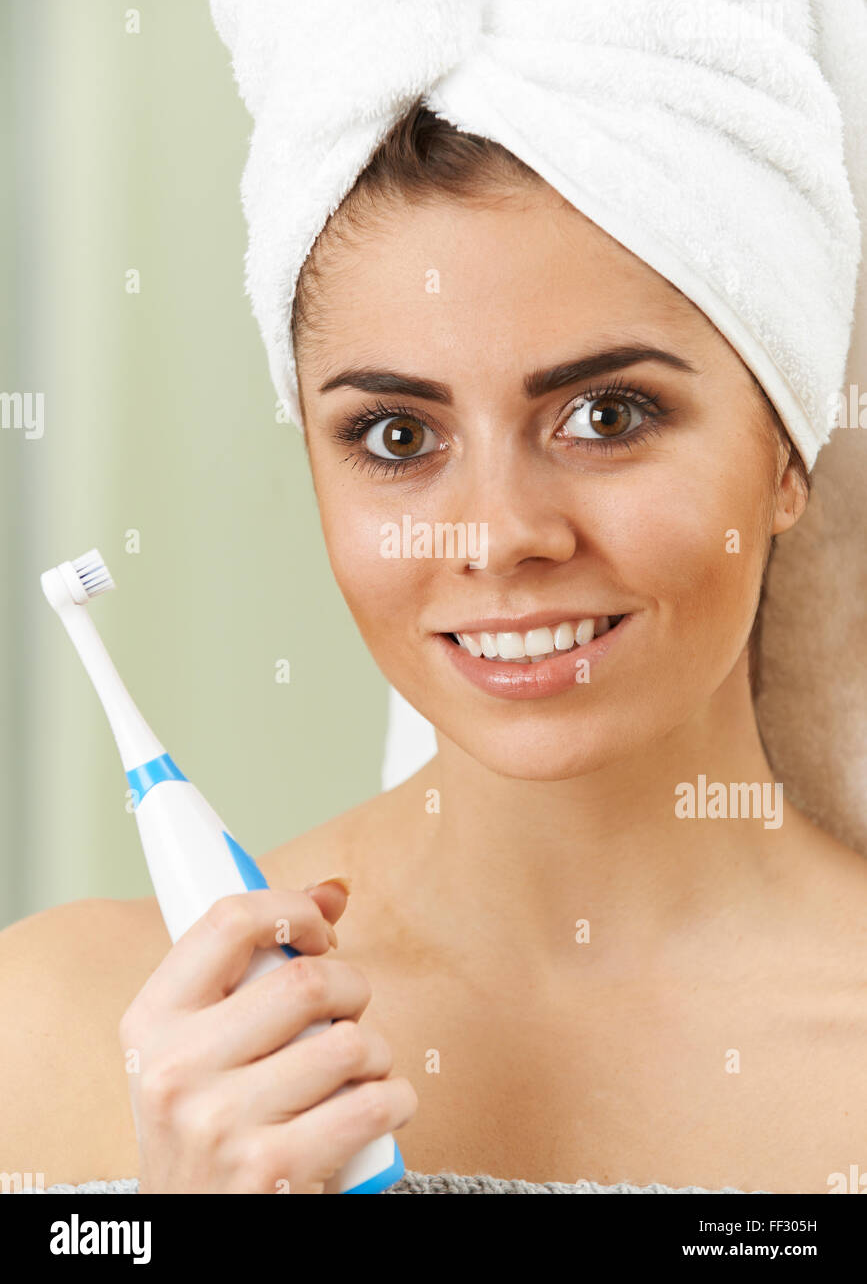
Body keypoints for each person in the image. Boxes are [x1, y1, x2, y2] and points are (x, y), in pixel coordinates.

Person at [3, 99, 867, 1195]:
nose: (500, 536)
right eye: (398, 435)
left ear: (786, 453)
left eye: (606, 415)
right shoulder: (50, 1035)